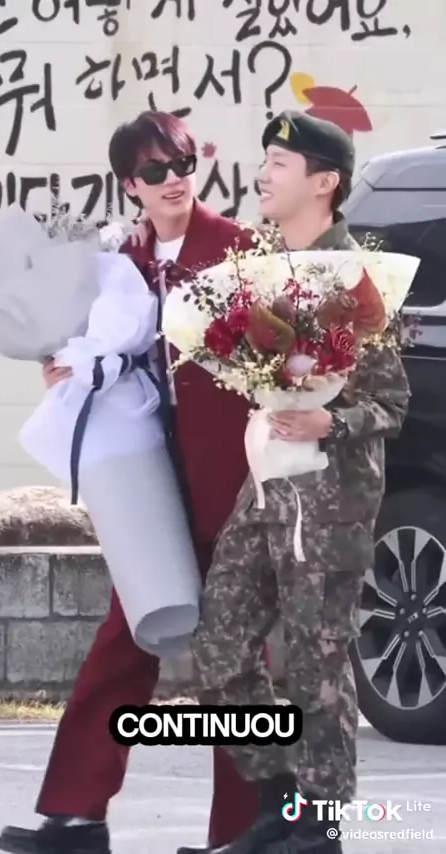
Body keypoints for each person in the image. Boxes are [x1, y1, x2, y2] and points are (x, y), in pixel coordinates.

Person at [0, 111, 266, 854]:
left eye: (181, 162)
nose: (172, 178)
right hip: (147, 481)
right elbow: (89, 344)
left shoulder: (241, 251)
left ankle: (243, 831)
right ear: (130, 184)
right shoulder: (118, 258)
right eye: (153, 170)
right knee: (125, 636)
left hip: (234, 479)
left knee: (237, 656)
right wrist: (65, 364)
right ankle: (75, 814)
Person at [179, 111, 411, 854]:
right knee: (218, 649)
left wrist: (328, 421)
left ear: (324, 182)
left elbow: (391, 404)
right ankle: (279, 802)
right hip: (268, 482)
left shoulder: (358, 279)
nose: (264, 174)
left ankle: (320, 826)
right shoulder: (263, 266)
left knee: (317, 661)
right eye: (266, 161)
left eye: (280, 163)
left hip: (333, 495)